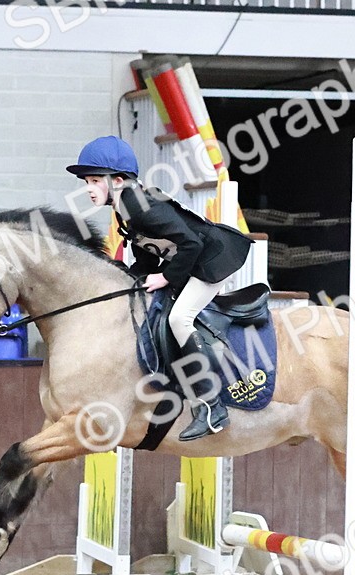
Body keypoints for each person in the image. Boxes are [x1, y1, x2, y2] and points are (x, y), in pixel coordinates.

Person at [68, 135, 253, 441]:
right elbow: (147, 254)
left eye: (95, 181)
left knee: (179, 319)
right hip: (190, 262)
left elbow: (191, 244)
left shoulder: (138, 205)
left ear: (117, 181)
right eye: (87, 182)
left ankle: (211, 406)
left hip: (211, 260)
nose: (88, 189)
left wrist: (165, 277)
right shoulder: (125, 206)